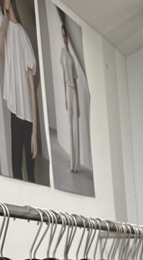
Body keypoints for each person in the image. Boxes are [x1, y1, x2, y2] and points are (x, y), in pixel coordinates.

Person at [0, 0, 37, 182]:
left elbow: (32, 89)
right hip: (15, 111)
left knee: (31, 172)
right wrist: (5, 17)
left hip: (28, 116)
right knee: (16, 169)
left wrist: (35, 134)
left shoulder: (23, 36)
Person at [60, 23, 79, 173]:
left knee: (76, 127)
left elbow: (76, 81)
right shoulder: (63, 55)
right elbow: (63, 77)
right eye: (63, 36)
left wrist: (77, 103)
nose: (64, 38)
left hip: (73, 90)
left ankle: (76, 165)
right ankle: (72, 164)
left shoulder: (72, 57)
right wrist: (65, 98)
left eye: (65, 35)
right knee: (70, 126)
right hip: (67, 89)